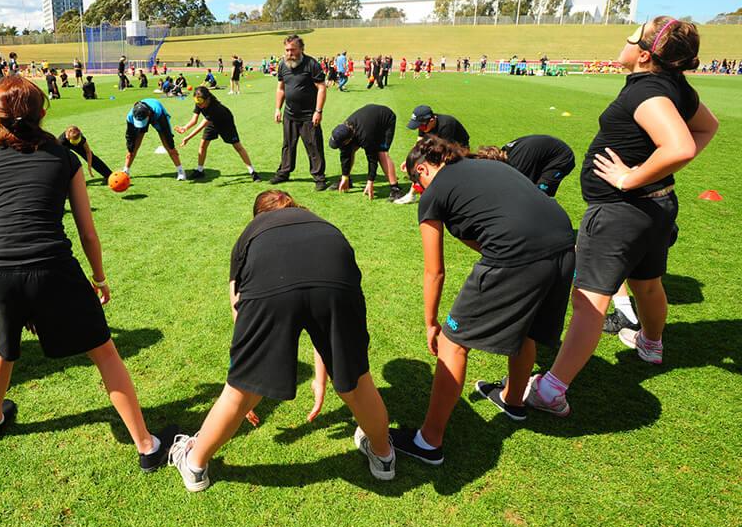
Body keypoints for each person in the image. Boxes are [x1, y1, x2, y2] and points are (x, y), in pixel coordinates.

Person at [0, 77, 178, 452]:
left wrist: (6, 281)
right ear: (44, 113)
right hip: (52, 267)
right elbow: (88, 233)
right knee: (104, 351)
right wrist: (99, 278)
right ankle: (146, 445)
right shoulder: (63, 158)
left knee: (3, 348)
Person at [525, 17, 719, 417]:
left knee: (589, 303)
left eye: (631, 38)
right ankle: (650, 343)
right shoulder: (675, 87)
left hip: (620, 213)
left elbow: (682, 144)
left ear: (645, 55)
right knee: (647, 285)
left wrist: (632, 177)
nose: (624, 42)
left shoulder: (647, 91)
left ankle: (551, 390)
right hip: (655, 207)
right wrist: (655, 173)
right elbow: (707, 128)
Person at [168, 190, 397, 492]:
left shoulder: (250, 235)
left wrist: (245, 379)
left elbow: (240, 313)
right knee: (357, 381)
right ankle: (383, 456)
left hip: (278, 293)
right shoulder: (321, 224)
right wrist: (323, 376)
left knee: (236, 392)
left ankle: (195, 464)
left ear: (258, 214)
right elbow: (321, 310)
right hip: (336, 286)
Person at [393, 136, 575, 464]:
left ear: (422, 169)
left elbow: (434, 271)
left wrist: (431, 324)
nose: (420, 189)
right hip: (564, 241)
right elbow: (482, 233)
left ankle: (428, 441)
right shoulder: (483, 166)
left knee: (452, 343)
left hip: (519, 250)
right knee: (528, 329)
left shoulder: (434, 191)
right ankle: (513, 400)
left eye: (416, 183)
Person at [270, 35, 328, 190]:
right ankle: (284, 172)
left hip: (309, 115)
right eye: (287, 50)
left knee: (314, 146)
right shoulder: (283, 65)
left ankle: (319, 177)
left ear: (301, 49)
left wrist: (318, 111)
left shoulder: (311, 64)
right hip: (290, 114)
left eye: (292, 50)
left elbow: (322, 87)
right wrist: (277, 109)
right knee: (288, 145)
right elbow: (280, 88)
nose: (289, 53)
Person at [174, 86, 260, 182]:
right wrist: (185, 128)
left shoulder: (215, 107)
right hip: (212, 123)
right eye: (197, 102)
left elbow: (201, 125)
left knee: (237, 146)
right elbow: (194, 120)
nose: (199, 105)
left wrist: (188, 138)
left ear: (208, 99)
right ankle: (200, 170)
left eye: (201, 103)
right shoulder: (199, 102)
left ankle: (253, 172)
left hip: (225, 122)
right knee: (203, 145)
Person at [395, 105, 471, 205]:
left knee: (439, 167)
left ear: (431, 120)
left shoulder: (446, 125)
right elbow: (419, 145)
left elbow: (442, 151)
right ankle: (411, 195)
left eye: (421, 126)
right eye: (418, 126)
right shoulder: (423, 123)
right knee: (420, 165)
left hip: (458, 148)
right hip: (439, 144)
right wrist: (410, 161)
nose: (420, 128)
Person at [329, 104, 403, 202]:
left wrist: (370, 181)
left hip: (386, 119)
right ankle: (348, 181)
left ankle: (395, 189)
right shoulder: (344, 130)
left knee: (381, 153)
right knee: (349, 150)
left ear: (348, 140)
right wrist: (345, 176)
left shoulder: (365, 137)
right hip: (368, 120)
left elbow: (372, 160)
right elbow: (345, 154)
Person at [475, 135, 576, 197]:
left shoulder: (518, 162)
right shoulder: (505, 152)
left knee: (540, 193)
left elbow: (521, 187)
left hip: (562, 158)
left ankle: (548, 224)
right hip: (544, 155)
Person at [123, 98, 186, 180]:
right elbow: (129, 136)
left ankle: (181, 171)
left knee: (169, 146)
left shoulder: (158, 113)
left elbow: (167, 132)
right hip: (144, 116)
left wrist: (170, 143)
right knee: (133, 147)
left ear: (148, 114)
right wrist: (130, 148)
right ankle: (126, 170)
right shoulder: (131, 116)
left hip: (157, 117)